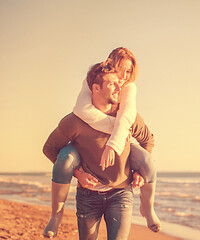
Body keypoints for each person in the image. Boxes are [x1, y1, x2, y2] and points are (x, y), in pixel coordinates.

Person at [43, 48, 161, 238]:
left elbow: (148, 140)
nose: (122, 80)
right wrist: (77, 174)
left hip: (121, 193)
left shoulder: (129, 115)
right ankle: (55, 216)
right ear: (96, 87)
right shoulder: (77, 119)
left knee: (147, 160)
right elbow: (49, 148)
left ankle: (148, 209)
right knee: (66, 157)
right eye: (117, 73)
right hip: (88, 195)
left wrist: (139, 171)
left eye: (128, 72)